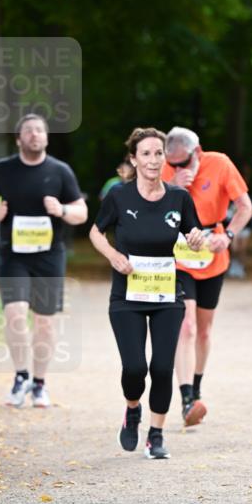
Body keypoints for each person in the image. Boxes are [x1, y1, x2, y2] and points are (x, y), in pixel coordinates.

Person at [89, 127, 204, 459]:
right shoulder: (119, 197)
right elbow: (95, 232)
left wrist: (196, 237)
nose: (154, 160)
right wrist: (113, 256)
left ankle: (156, 434)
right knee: (135, 368)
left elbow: (192, 230)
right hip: (127, 295)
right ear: (133, 159)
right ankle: (132, 408)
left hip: (166, 294)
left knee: (163, 368)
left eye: (159, 153)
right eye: (146, 154)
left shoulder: (178, 197)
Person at [0, 114, 88, 408]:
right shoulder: (3, 169)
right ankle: (20, 376)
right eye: (28, 131)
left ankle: (39, 384)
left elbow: (82, 212)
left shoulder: (60, 171)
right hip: (12, 255)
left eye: (40, 130)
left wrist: (62, 210)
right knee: (14, 315)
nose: (35, 135)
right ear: (18, 139)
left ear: (47, 138)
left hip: (49, 256)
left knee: (45, 323)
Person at [162, 127, 252, 425]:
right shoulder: (165, 170)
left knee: (203, 330)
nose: (176, 168)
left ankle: (196, 387)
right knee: (185, 326)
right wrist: (173, 185)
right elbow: (148, 209)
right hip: (178, 257)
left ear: (197, 153)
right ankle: (187, 398)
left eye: (182, 163)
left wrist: (227, 235)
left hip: (213, 252)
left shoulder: (220, 163)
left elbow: (244, 208)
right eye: (171, 163)